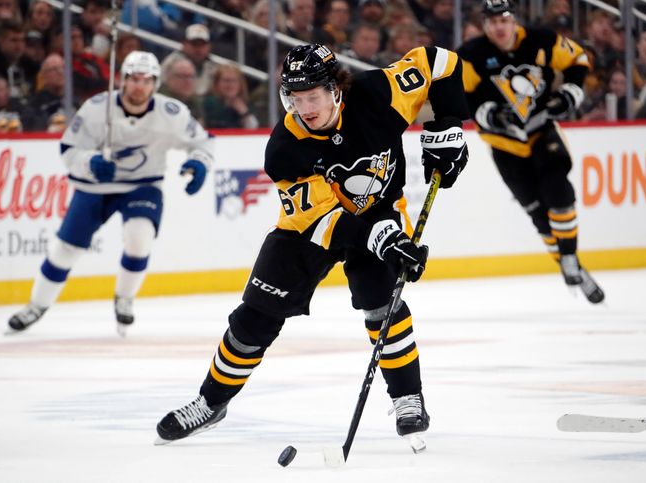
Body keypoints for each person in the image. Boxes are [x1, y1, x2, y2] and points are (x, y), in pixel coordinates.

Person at [155, 42, 470, 449]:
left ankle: (407, 398)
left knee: (382, 304)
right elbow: (324, 219)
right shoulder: (286, 147)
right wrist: (384, 240)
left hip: (382, 212)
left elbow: (440, 62)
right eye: (295, 98)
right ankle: (211, 402)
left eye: (313, 96)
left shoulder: (380, 94)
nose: (304, 108)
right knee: (255, 318)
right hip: (310, 229)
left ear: (336, 89)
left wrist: (446, 125)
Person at [7, 51, 215, 335]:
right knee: (65, 250)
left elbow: (204, 142)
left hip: (143, 184)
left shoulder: (172, 113)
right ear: (122, 80)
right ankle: (37, 305)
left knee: (139, 236)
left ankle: (125, 299)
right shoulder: (96, 109)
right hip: (94, 187)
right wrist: (90, 163)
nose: (139, 86)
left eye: (146, 80)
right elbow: (69, 149)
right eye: (133, 79)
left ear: (155, 83)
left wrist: (199, 164)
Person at [456, 0, 604, 304]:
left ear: (514, 21)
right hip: (504, 144)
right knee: (538, 213)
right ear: (484, 24)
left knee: (559, 190)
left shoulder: (542, 40)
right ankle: (572, 263)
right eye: (493, 21)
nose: (499, 26)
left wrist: (568, 94)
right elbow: (458, 97)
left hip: (541, 131)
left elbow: (578, 60)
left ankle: (569, 258)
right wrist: (489, 114)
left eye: (505, 19)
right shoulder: (470, 55)